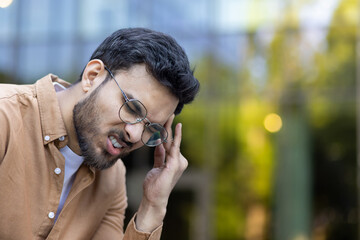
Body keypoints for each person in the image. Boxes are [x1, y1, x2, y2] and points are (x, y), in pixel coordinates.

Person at [0, 28, 200, 239]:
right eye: (132, 108)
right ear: (92, 76)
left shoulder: (112, 179)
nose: (134, 134)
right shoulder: (6, 118)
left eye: (150, 128)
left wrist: (153, 206)